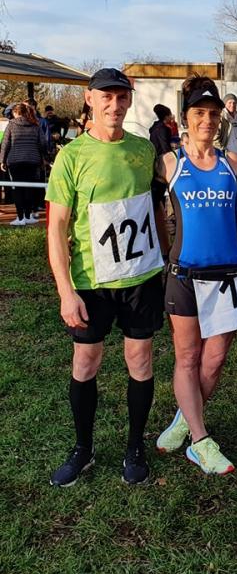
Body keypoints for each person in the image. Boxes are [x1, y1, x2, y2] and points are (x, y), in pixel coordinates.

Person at [46, 68, 165, 487]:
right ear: (90, 99)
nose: (115, 105)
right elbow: (56, 228)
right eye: (106, 97)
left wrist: (168, 253)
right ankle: (83, 448)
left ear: (129, 100)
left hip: (141, 277)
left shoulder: (144, 149)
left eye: (122, 97)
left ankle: (135, 447)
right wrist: (65, 291)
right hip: (91, 282)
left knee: (140, 360)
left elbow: (157, 204)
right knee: (85, 361)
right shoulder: (72, 156)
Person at [154, 76, 237, 475]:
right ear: (185, 118)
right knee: (188, 356)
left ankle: (184, 419)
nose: (207, 120)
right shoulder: (169, 164)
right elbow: (143, 204)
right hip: (185, 274)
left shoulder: (236, 164)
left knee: (215, 360)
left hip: (227, 276)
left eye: (213, 113)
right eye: (199, 113)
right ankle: (200, 439)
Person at [0, 102, 48, 225]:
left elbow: (5, 144)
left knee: (18, 189)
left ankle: (20, 218)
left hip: (15, 161)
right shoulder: (35, 125)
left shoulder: (11, 125)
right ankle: (28, 215)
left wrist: (2, 160)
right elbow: (43, 143)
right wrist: (44, 157)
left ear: (16, 112)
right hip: (32, 161)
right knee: (29, 188)